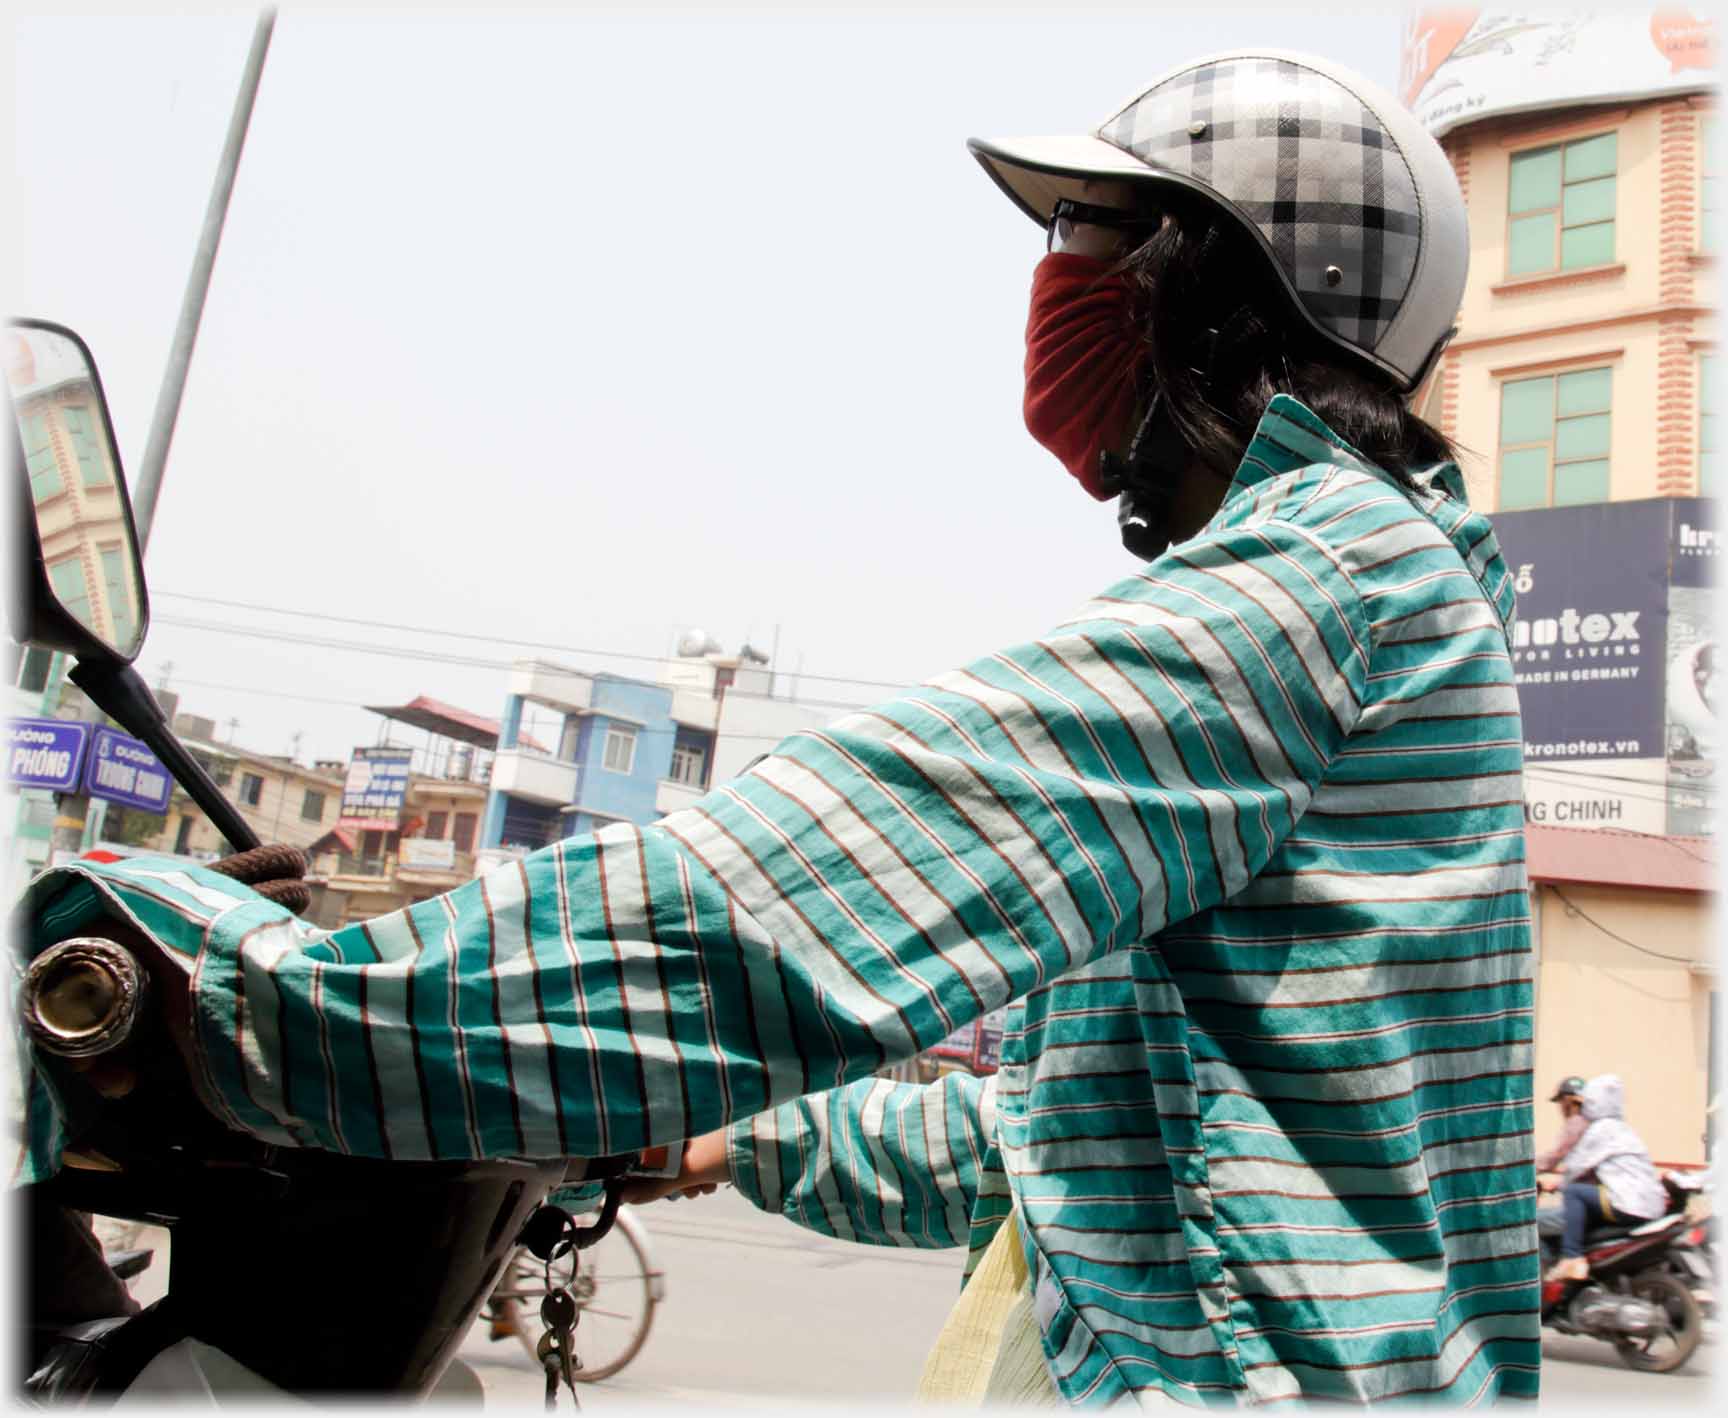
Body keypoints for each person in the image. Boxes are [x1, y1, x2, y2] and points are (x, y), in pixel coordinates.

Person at [16, 48, 1538, 1407]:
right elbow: (1056, 1138)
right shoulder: (1361, 597)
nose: (1053, 281)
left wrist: (226, 1001)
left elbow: (791, 902)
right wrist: (726, 1137)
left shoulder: (1326, 586)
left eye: (1087, 232)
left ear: (1205, 287)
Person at [1535, 1074, 1668, 1283]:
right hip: (1648, 1203)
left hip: (1624, 1201)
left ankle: (1570, 1260)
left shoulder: (1594, 1128)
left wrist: (1545, 1178)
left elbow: (1572, 1166)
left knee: (1560, 1202)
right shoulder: (1622, 1129)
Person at [1534, 1074, 1588, 1177]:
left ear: (1567, 1100)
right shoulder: (1591, 1122)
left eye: (1560, 1101)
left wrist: (1528, 1166)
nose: (1560, 1107)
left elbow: (1558, 1154)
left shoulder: (1577, 1123)